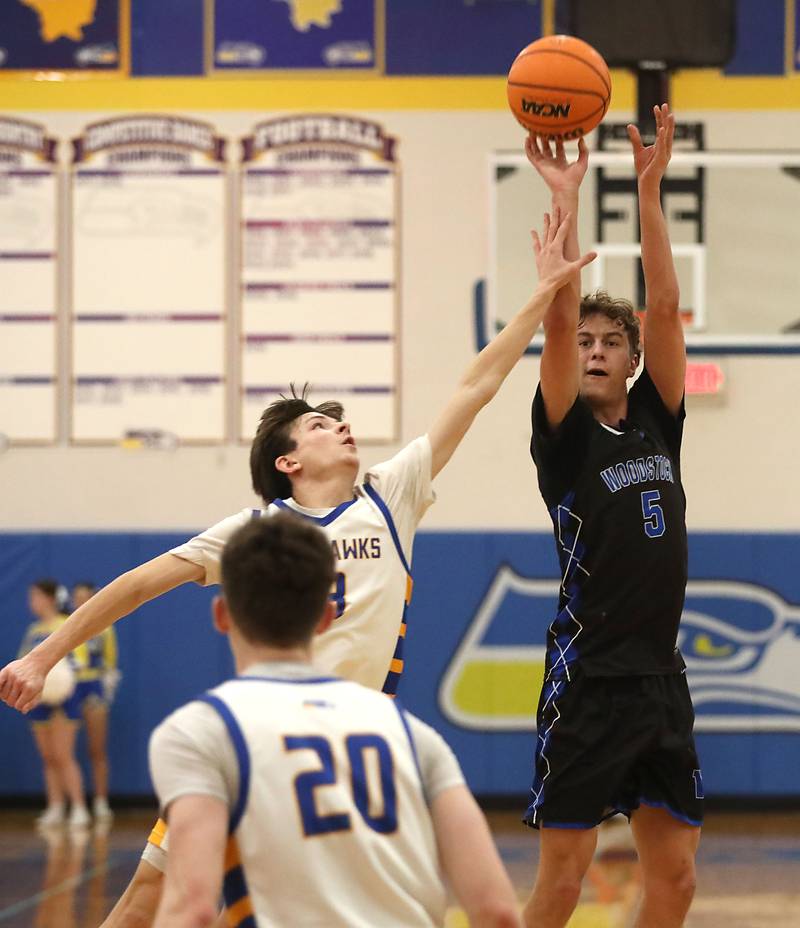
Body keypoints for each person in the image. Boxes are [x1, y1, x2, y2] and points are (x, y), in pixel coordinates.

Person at [0, 210, 596, 928]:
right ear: (288, 463)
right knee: (149, 900)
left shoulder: (390, 494)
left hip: (358, 748)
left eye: (338, 419)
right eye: (320, 424)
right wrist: (42, 655)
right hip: (258, 738)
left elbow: (476, 385)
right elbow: (135, 585)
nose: (341, 426)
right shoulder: (256, 533)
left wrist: (541, 295)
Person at [149, 514, 521, 928]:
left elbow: (192, 909)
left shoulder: (198, 733)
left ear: (221, 615)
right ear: (326, 617)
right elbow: (498, 912)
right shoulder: (413, 735)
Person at [521, 105, 702, 928]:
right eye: (586, 340)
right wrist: (565, 203)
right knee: (563, 880)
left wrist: (650, 190)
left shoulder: (657, 419)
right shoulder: (564, 440)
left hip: (660, 679)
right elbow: (556, 322)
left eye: (609, 341)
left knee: (677, 879)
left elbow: (664, 306)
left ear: (631, 361)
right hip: (588, 682)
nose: (593, 348)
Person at [19, 579, 91, 828]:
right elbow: (23, 663)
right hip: (39, 698)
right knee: (48, 756)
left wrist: (61, 676)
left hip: (64, 696)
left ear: (49, 598)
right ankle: (56, 806)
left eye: (35, 596)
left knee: (63, 754)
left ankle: (79, 807)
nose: (32, 602)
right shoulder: (33, 631)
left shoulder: (65, 626)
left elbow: (80, 658)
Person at [72, 581, 118, 822]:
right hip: (69, 686)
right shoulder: (64, 625)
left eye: (85, 597)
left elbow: (110, 662)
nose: (80, 602)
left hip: (94, 686)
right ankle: (67, 806)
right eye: (76, 597)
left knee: (96, 748)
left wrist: (107, 686)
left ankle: (101, 801)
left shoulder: (105, 627)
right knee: (62, 750)